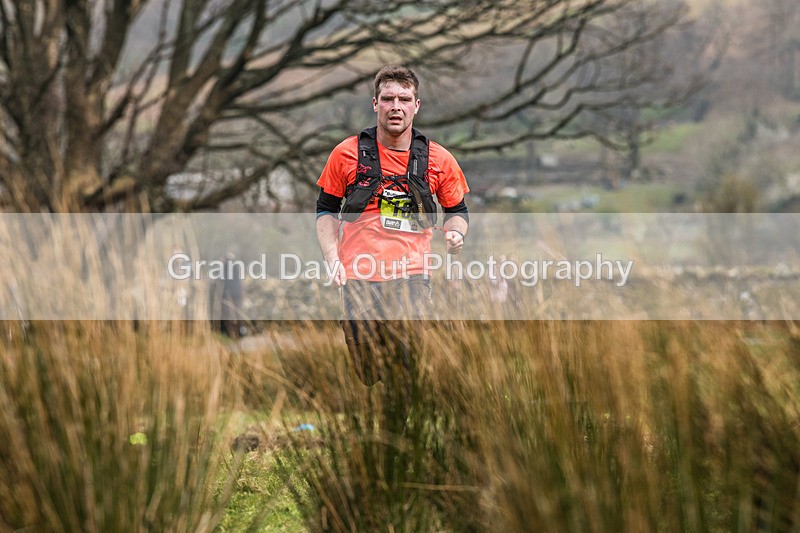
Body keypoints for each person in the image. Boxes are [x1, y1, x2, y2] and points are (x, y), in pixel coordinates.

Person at [315, 66, 470, 422]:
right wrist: (331, 257)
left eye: (404, 99)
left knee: (407, 353)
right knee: (368, 370)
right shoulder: (346, 153)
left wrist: (456, 233)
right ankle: (390, 408)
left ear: (417, 105)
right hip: (360, 273)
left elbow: (457, 211)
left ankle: (400, 429)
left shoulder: (438, 159)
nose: (395, 106)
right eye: (388, 99)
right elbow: (325, 209)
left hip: (412, 272)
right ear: (375, 104)